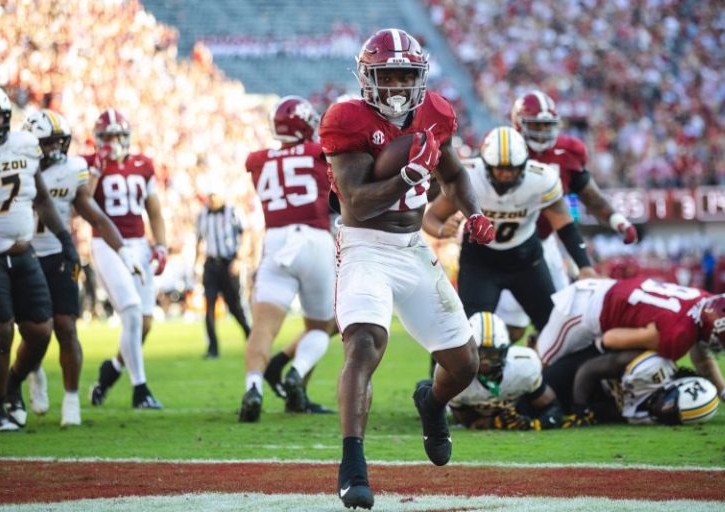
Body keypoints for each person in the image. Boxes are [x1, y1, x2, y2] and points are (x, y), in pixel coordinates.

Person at [319, 28, 495, 509]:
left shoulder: (435, 112)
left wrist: (474, 213)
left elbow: (454, 174)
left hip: (412, 247)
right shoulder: (346, 119)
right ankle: (352, 464)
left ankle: (431, 402)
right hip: (365, 246)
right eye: (388, 75)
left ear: (420, 76)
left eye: (405, 75)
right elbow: (356, 203)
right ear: (367, 78)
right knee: (364, 344)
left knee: (464, 364)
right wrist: (409, 175)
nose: (397, 85)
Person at [19, 110, 143, 426]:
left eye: (59, 142)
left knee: (66, 326)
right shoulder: (16, 167)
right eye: (48, 143)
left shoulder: (73, 169)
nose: (55, 149)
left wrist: (123, 251)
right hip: (24, 256)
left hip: (61, 256)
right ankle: (34, 371)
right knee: (34, 330)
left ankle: (71, 399)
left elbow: (95, 214)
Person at [424, 126, 598, 335]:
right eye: (500, 169)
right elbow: (431, 217)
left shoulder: (541, 179)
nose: (506, 175)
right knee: (469, 334)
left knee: (553, 328)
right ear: (486, 166)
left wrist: (584, 265)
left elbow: (565, 226)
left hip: (525, 260)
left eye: (512, 169)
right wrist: (442, 230)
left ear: (524, 164)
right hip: (480, 262)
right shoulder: (470, 176)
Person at [494, 90, 638, 341]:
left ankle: (543, 357)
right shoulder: (502, 150)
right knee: (511, 328)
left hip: (544, 241)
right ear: (518, 124)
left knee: (561, 317)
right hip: (506, 243)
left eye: (546, 125)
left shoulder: (566, 152)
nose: (542, 132)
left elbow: (591, 196)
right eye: (536, 125)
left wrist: (618, 220)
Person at [238, 95, 336, 422]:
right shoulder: (319, 153)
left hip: (277, 241)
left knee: (263, 329)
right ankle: (297, 371)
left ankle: (253, 387)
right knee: (322, 326)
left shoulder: (258, 161)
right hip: (315, 239)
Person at [536, 277, 725, 413]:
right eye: (718, 343)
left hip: (606, 293)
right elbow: (610, 338)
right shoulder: (678, 335)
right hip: (583, 310)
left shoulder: (703, 301)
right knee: (536, 371)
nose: (714, 348)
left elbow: (702, 356)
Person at [0, 87, 80, 431]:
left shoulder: (25, 145)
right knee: (2, 332)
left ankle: (14, 383)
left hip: (24, 252)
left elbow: (42, 199)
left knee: (40, 330)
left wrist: (66, 240)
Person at [84, 109, 167, 409]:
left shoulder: (143, 165)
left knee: (144, 322)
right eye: (108, 137)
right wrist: (97, 169)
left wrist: (161, 246)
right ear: (98, 139)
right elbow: (83, 203)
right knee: (131, 311)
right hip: (107, 244)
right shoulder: (89, 164)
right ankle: (140, 389)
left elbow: (154, 211)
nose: (114, 142)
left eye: (119, 136)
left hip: (139, 244)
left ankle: (110, 372)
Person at [443, 312, 563, 430]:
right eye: (479, 353)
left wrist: (533, 424)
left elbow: (552, 408)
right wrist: (493, 422)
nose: (485, 362)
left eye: (492, 354)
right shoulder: (455, 374)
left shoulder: (523, 366)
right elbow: (468, 421)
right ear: (467, 351)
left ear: (505, 352)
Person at [546, 349, 723, 427]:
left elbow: (613, 411)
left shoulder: (656, 417)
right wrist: (580, 409)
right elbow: (588, 369)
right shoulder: (651, 369)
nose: (662, 409)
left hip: (594, 394)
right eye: (670, 402)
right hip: (581, 368)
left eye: (671, 414)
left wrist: (591, 413)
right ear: (673, 384)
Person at [195, 188, 250, 358]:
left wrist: (239, 259)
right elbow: (199, 239)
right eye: (210, 196)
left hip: (229, 263)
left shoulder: (233, 211)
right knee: (209, 305)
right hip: (211, 264)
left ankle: (250, 335)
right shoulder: (202, 214)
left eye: (215, 196)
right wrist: (196, 263)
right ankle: (212, 348)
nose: (212, 200)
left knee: (234, 306)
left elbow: (245, 234)